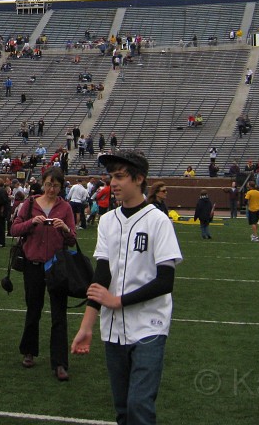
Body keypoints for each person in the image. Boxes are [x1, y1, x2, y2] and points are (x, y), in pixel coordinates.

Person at [71, 150, 182, 424]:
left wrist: (117, 300)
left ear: (139, 178)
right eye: (111, 176)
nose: (113, 183)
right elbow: (101, 275)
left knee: (139, 406)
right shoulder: (108, 221)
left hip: (149, 325)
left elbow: (165, 281)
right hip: (113, 328)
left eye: (120, 176)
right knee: (122, 408)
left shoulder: (158, 221)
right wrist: (86, 326)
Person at [10, 167, 77, 381]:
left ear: (61, 186)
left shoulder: (65, 207)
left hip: (56, 266)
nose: (51, 189)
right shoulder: (30, 203)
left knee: (59, 314)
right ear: (42, 183)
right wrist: (32, 222)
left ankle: (60, 363)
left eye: (55, 185)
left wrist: (64, 228)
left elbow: (72, 239)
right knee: (33, 309)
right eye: (48, 184)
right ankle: (28, 351)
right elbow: (14, 229)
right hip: (33, 264)